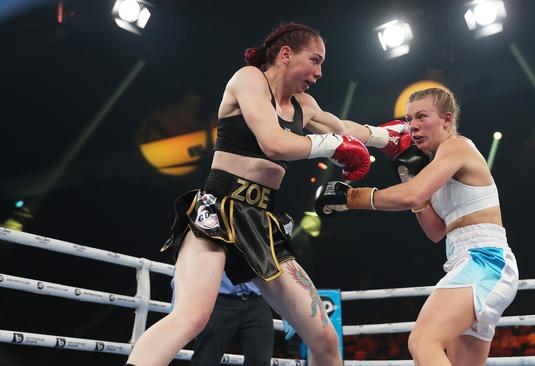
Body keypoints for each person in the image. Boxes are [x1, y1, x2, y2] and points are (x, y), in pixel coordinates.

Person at [126, 22, 412, 366]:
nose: (319, 73)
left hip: (263, 221)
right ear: (286, 54)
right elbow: (273, 142)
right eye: (315, 60)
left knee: (323, 337)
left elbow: (342, 129)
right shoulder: (249, 79)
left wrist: (386, 137)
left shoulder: (303, 103)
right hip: (219, 209)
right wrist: (332, 145)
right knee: (191, 317)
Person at [315, 87, 519, 365]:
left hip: (485, 260)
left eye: (422, 117)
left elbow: (411, 194)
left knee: (423, 342)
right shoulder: (434, 167)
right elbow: (436, 231)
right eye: (409, 119)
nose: (413, 126)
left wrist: (352, 197)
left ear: (447, 120)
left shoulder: (457, 146)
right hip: (467, 259)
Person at [191, 273, 273, 366]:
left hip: (257, 299)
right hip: (218, 299)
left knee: (261, 361)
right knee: (206, 358)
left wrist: (285, 309)